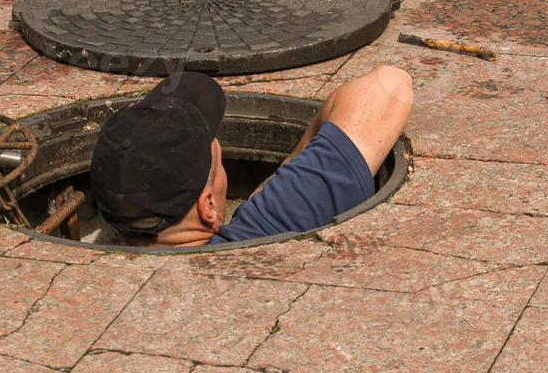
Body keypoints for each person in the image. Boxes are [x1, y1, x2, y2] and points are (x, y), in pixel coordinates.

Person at [88, 67, 413, 248]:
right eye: (216, 152)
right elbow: (389, 86)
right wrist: (282, 189)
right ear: (209, 207)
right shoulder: (261, 235)